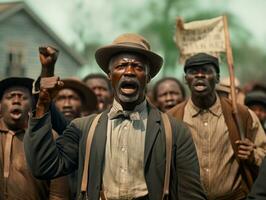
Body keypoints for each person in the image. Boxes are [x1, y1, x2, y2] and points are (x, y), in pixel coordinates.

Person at [24, 33, 206, 200]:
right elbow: (44, 166)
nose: (129, 71)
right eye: (121, 66)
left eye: (137, 67)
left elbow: (191, 195)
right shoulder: (84, 128)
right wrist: (42, 105)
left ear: (148, 77)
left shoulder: (175, 131)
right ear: (110, 76)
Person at [168, 53, 266, 200]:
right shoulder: (171, 118)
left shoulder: (241, 115)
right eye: (193, 72)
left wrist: (253, 154)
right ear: (185, 79)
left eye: (206, 71)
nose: (200, 75)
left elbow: (264, 153)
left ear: (218, 78)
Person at [0, 77, 69, 200]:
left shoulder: (48, 136)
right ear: (0, 106)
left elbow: (58, 194)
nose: (16, 101)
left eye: (23, 97)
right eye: (10, 97)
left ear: (33, 104)